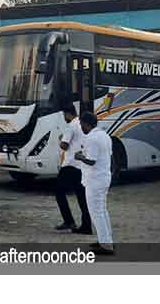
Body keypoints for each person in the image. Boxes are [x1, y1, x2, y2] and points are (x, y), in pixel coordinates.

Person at [74, 112, 114, 255]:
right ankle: (106, 240)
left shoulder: (91, 138)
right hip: (103, 177)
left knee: (96, 212)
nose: (80, 126)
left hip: (94, 180)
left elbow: (91, 161)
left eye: (81, 124)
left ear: (85, 123)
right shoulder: (104, 135)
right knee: (102, 210)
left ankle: (106, 245)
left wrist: (79, 156)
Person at [54, 104, 92, 234]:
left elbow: (64, 146)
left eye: (64, 115)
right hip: (81, 165)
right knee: (81, 196)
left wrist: (60, 140)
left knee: (58, 191)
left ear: (68, 114)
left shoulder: (71, 126)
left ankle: (69, 220)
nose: (64, 118)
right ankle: (86, 225)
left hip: (70, 164)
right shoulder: (81, 125)